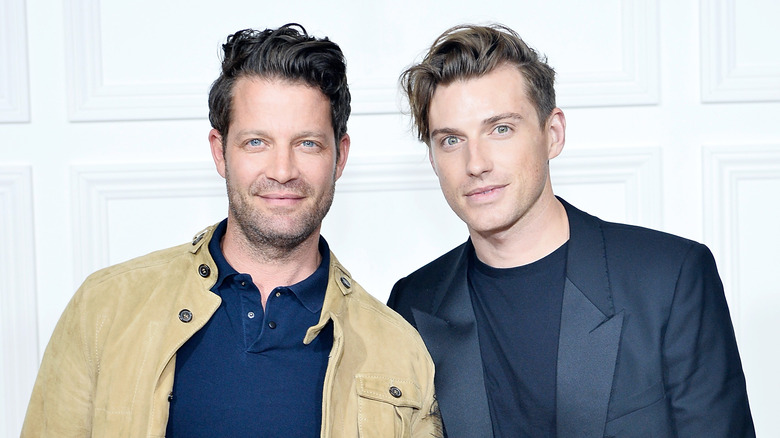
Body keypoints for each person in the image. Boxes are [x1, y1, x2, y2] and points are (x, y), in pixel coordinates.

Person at [22, 24, 441, 437]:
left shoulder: (399, 353)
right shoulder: (105, 309)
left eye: (307, 143)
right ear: (219, 153)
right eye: (256, 142)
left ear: (341, 156)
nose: (282, 171)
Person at [387, 23, 754, 438]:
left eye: (501, 129)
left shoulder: (671, 278)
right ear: (433, 159)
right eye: (451, 140)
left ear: (553, 134)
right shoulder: (412, 303)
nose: (476, 163)